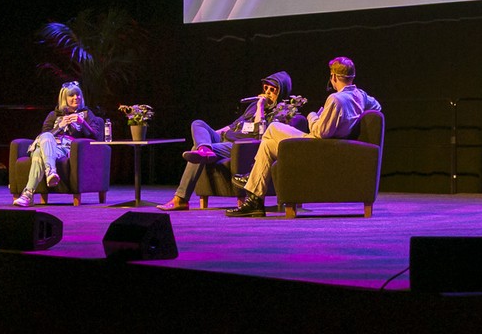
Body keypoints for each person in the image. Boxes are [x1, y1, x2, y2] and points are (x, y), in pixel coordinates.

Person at [227, 57, 379, 217]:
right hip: (330, 145)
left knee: (272, 128)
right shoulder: (360, 95)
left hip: (317, 146)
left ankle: (251, 176)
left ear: (333, 77)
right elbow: (376, 107)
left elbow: (320, 132)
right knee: (267, 146)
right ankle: (255, 201)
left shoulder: (336, 99)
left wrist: (313, 116)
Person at [157, 71, 296, 211]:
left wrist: (260, 107)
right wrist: (208, 135)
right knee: (198, 124)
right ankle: (205, 149)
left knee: (196, 149)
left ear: (281, 93)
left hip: (238, 146)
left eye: (272, 90)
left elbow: (259, 134)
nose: (267, 92)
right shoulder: (252, 106)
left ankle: (181, 199)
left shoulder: (279, 113)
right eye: (266, 88)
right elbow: (232, 126)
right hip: (226, 138)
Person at [14, 81, 101, 206]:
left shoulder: (87, 114)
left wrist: (83, 123)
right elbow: (43, 135)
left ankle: (28, 195)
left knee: (38, 153)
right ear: (64, 98)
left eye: (78, 95)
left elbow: (97, 136)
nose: (76, 97)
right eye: (71, 95)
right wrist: (59, 126)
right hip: (48, 145)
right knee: (44, 140)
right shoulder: (53, 115)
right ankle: (50, 172)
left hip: (65, 149)